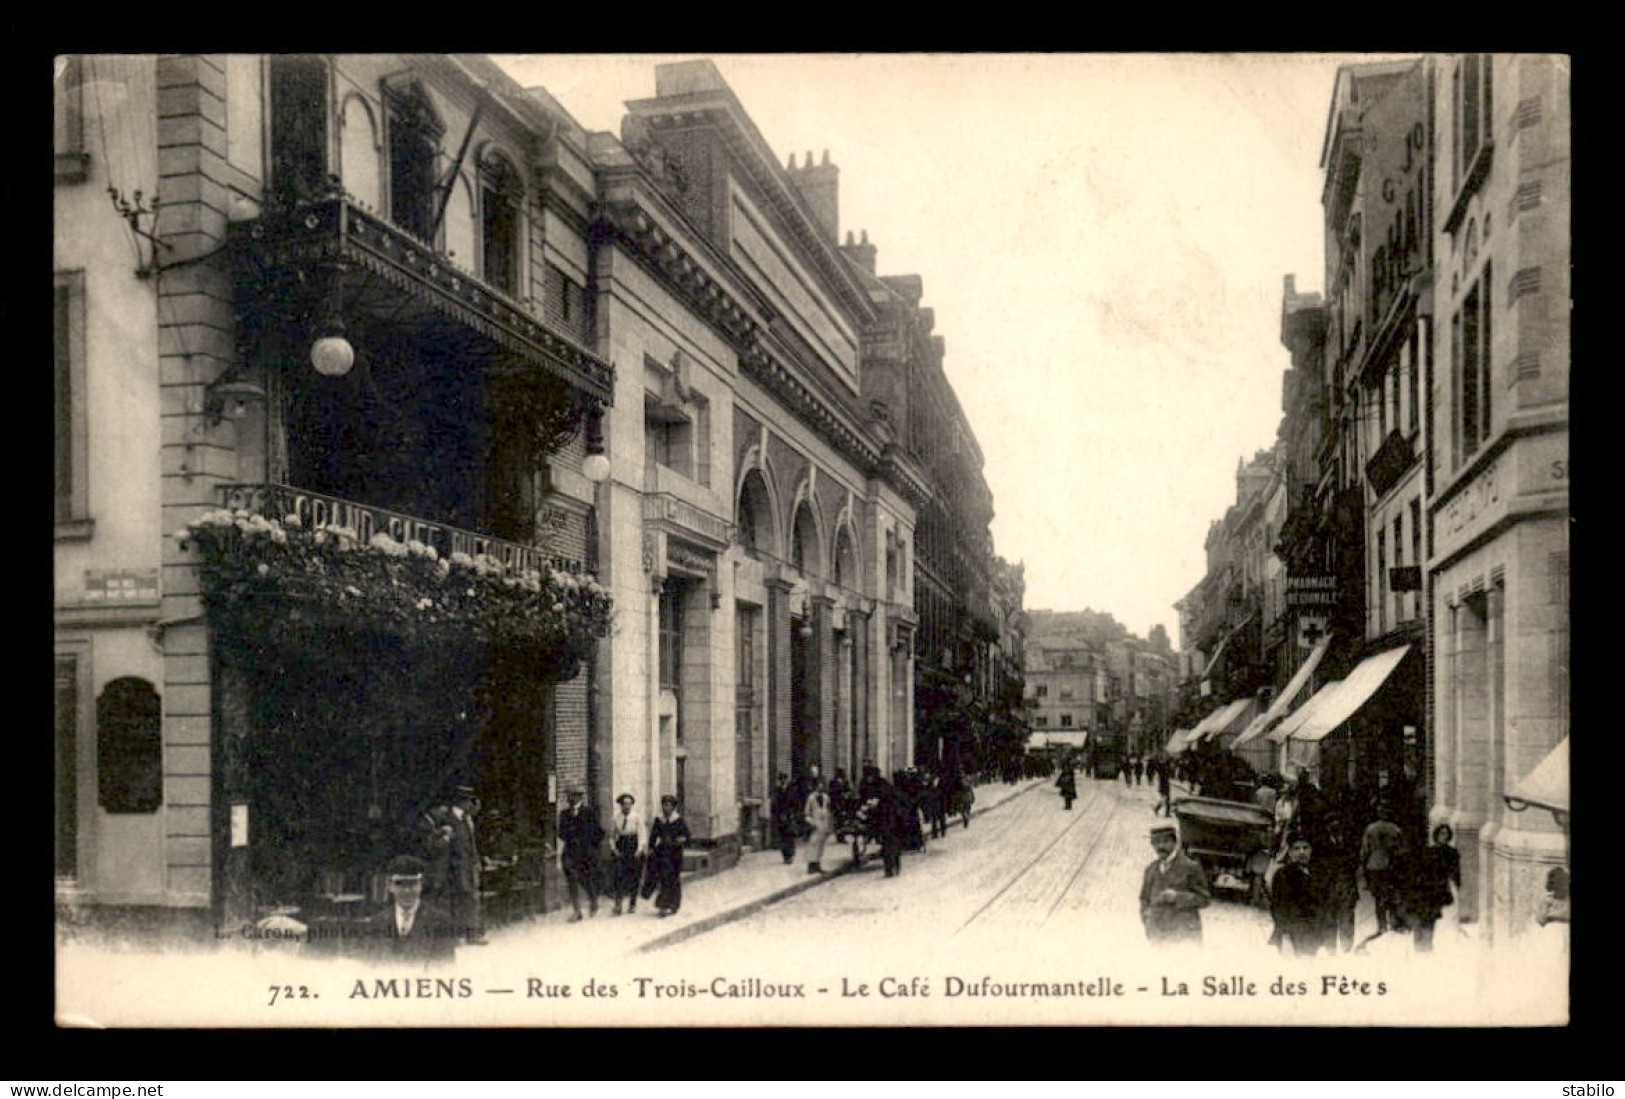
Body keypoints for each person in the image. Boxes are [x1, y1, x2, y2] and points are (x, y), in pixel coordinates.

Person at [359, 854, 457, 962]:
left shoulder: (440, 922)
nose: (406, 891)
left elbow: (445, 968)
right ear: (390, 887)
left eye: (412, 884)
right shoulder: (377, 922)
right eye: (400, 884)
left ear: (421, 885)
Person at [1139, 823, 1210, 945]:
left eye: (1165, 842)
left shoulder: (1190, 867)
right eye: (1156, 843)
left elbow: (1204, 899)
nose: (1160, 847)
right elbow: (1144, 899)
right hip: (1159, 937)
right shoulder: (1150, 869)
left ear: (1175, 842)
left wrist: (1178, 897)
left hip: (1185, 937)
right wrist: (1147, 920)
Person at [1407, 823, 1462, 952]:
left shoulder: (1452, 853)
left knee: (1437, 917)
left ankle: (1429, 944)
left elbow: (1456, 873)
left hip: (1442, 889)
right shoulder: (1429, 851)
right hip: (1427, 888)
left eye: (1446, 834)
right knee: (1424, 916)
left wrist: (1455, 886)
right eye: (1441, 833)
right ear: (1436, 835)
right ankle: (1420, 944)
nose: (1444, 836)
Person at [1269, 834, 1326, 956]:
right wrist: (1285, 933)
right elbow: (1278, 907)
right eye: (1297, 848)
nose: (1301, 852)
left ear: (1311, 850)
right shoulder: (1283, 875)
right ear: (1289, 852)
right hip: (1291, 933)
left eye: (1305, 848)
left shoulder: (1319, 874)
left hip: (1315, 934)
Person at [1359, 802, 1408, 939]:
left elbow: (1365, 850)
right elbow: (1401, 850)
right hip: (1390, 867)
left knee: (1378, 897)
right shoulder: (1396, 830)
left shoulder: (1370, 829)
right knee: (1392, 895)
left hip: (1374, 866)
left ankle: (1382, 925)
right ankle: (1393, 923)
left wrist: (1363, 866)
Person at [445, 785, 486, 945]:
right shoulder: (449, 820)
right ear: (463, 802)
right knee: (457, 900)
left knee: (472, 899)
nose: (473, 805)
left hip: (469, 867)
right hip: (456, 868)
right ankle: (456, 935)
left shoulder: (467, 820)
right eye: (471, 801)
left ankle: (472, 934)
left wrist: (476, 861)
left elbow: (472, 844)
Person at [558, 788, 604, 922]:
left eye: (573, 796)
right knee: (571, 877)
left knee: (585, 878)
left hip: (586, 852)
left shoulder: (588, 812)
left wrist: (592, 847)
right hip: (570, 851)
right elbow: (560, 832)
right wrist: (570, 836)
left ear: (579, 798)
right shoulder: (564, 814)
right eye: (568, 797)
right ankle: (576, 911)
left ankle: (593, 899)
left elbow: (599, 832)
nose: (570, 799)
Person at [645, 795, 691, 916]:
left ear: (673, 807)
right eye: (665, 805)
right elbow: (653, 835)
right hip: (662, 851)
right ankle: (663, 906)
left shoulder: (678, 820)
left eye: (669, 805)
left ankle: (674, 904)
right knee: (664, 878)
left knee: (673, 878)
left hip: (675, 853)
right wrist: (650, 848)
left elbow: (687, 836)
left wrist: (680, 840)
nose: (666, 808)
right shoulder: (659, 819)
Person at [608, 793, 645, 916]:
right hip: (621, 845)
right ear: (621, 805)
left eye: (629, 804)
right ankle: (618, 904)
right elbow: (612, 835)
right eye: (625, 804)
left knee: (634, 876)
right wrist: (614, 848)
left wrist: (639, 849)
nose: (627, 806)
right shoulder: (616, 818)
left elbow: (642, 834)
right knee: (618, 875)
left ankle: (632, 903)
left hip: (633, 845)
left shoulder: (636, 817)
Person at [803, 778, 833, 874]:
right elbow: (807, 812)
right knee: (813, 844)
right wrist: (811, 823)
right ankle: (810, 865)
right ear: (815, 787)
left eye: (822, 785)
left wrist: (829, 824)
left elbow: (828, 810)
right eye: (818, 785)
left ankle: (818, 864)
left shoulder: (825, 797)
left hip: (824, 824)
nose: (820, 787)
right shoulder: (811, 798)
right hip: (815, 823)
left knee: (821, 845)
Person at [771, 773, 799, 865]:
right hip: (780, 817)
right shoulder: (777, 790)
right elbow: (774, 804)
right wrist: (776, 815)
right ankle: (785, 856)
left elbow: (795, 803)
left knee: (789, 837)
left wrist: (790, 814)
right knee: (782, 837)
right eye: (781, 780)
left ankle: (790, 856)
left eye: (784, 779)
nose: (782, 781)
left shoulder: (792, 790)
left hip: (789, 816)